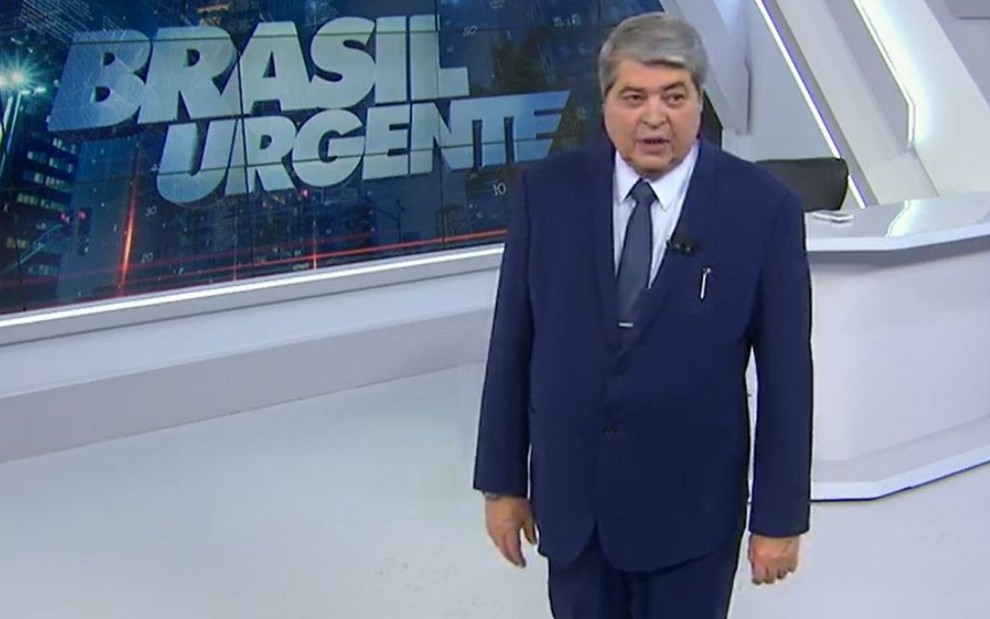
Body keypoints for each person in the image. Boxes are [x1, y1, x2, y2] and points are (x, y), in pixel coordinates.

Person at [472, 11, 813, 619]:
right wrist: (502, 483)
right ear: (605, 102)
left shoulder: (763, 210)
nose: (654, 117)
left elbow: (788, 376)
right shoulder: (545, 194)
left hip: (692, 515)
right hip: (575, 509)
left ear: (700, 102)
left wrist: (779, 517)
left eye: (673, 97)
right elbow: (512, 345)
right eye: (633, 97)